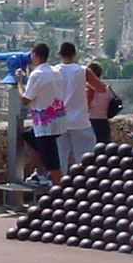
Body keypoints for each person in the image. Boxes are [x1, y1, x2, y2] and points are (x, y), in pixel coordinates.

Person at [15, 42, 66, 184]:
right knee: (29, 137)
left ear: (35, 55)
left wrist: (19, 82)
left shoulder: (37, 75)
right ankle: (40, 173)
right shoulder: (55, 72)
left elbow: (26, 100)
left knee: (52, 162)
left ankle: (59, 190)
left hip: (45, 125)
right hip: (58, 120)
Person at [53, 42, 99, 174]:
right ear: (74, 54)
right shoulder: (82, 71)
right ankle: (84, 183)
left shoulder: (53, 71)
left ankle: (59, 183)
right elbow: (100, 88)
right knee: (85, 158)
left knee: (59, 157)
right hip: (79, 120)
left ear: (59, 54)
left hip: (59, 120)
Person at [86, 61, 113, 144]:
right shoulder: (107, 88)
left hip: (92, 122)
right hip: (104, 122)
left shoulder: (89, 88)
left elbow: (87, 106)